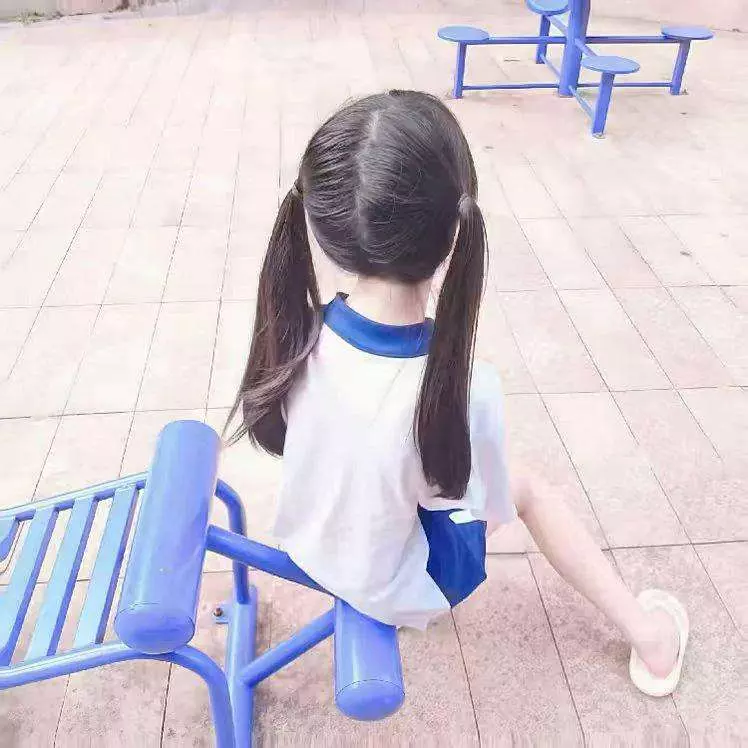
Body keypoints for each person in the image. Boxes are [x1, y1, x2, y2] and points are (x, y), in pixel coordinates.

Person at [227, 90, 687, 697]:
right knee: (528, 490)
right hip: (394, 583)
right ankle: (649, 635)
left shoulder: (296, 329)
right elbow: (479, 502)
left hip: (310, 541)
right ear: (455, 230)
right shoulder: (465, 392)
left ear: (325, 225)